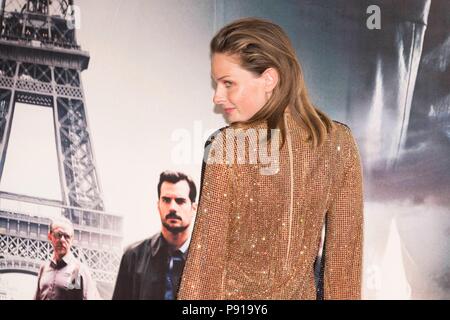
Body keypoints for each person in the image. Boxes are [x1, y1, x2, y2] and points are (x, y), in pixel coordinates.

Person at [177, 17, 364, 300]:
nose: (217, 96)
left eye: (228, 83)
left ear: (269, 80)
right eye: (216, 84)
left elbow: (203, 273)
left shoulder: (227, 147)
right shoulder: (339, 143)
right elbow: (344, 274)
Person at [112, 171, 197, 300]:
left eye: (180, 201)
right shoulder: (133, 257)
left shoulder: (212, 263)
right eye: (166, 200)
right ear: (158, 206)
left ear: (194, 209)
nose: (172, 207)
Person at [34, 216, 100, 300]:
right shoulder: (44, 268)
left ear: (72, 240)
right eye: (58, 235)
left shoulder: (77, 271)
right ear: (50, 236)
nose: (62, 240)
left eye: (67, 236)